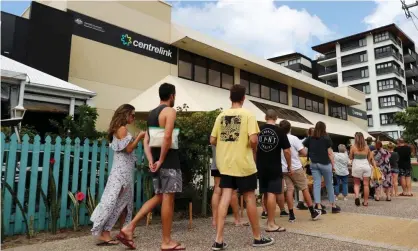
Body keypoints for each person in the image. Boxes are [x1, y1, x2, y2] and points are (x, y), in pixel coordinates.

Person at [119, 83, 184, 251]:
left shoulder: (151, 114)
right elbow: (168, 136)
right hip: (168, 162)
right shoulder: (170, 111)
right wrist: (162, 159)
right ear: (172, 96)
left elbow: (146, 141)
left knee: (159, 197)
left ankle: (129, 227)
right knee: (168, 199)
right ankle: (166, 241)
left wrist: (151, 160)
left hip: (156, 161)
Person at [210, 85, 274, 250]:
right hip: (244, 164)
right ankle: (257, 237)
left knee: (225, 197)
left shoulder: (221, 116)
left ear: (230, 98)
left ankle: (218, 240)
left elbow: (212, 140)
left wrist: (226, 145)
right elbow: (253, 140)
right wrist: (250, 148)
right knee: (250, 198)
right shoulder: (248, 115)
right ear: (243, 98)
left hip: (225, 164)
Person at [90, 104, 146, 246]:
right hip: (121, 173)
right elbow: (128, 149)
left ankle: (124, 230)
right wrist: (139, 137)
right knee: (113, 201)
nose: (133, 117)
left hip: (123, 171)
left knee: (123, 202)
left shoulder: (121, 129)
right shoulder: (122, 129)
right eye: (132, 115)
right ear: (125, 114)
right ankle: (105, 233)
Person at [279, 120, 321, 223]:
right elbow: (303, 152)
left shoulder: (278, 138)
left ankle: (291, 215)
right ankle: (312, 212)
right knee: (304, 188)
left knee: (289, 190)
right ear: (290, 129)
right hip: (295, 167)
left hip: (283, 169)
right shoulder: (293, 138)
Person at [257, 109, 291, 232]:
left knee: (265, 193)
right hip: (274, 166)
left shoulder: (258, 129)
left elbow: (253, 147)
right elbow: (287, 151)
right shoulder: (280, 131)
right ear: (276, 118)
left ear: (266, 117)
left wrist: (256, 162)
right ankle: (271, 223)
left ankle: (268, 219)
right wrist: (289, 165)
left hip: (261, 166)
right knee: (272, 193)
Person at [303, 121, 341, 214]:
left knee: (317, 184)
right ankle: (333, 205)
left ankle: (318, 205)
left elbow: (303, 145)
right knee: (329, 184)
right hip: (325, 163)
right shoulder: (326, 138)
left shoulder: (310, 138)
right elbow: (329, 151)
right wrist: (333, 164)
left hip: (314, 164)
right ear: (324, 128)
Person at [211, 145, 248, 227]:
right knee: (232, 191)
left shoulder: (214, 132)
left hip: (216, 163)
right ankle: (237, 219)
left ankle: (215, 220)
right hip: (229, 164)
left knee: (217, 190)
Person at [350, 132, 374, 207]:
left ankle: (357, 196)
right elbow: (369, 158)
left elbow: (351, 157)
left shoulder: (353, 147)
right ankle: (366, 202)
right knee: (366, 184)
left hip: (356, 165)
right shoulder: (367, 147)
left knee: (357, 183)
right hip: (365, 165)